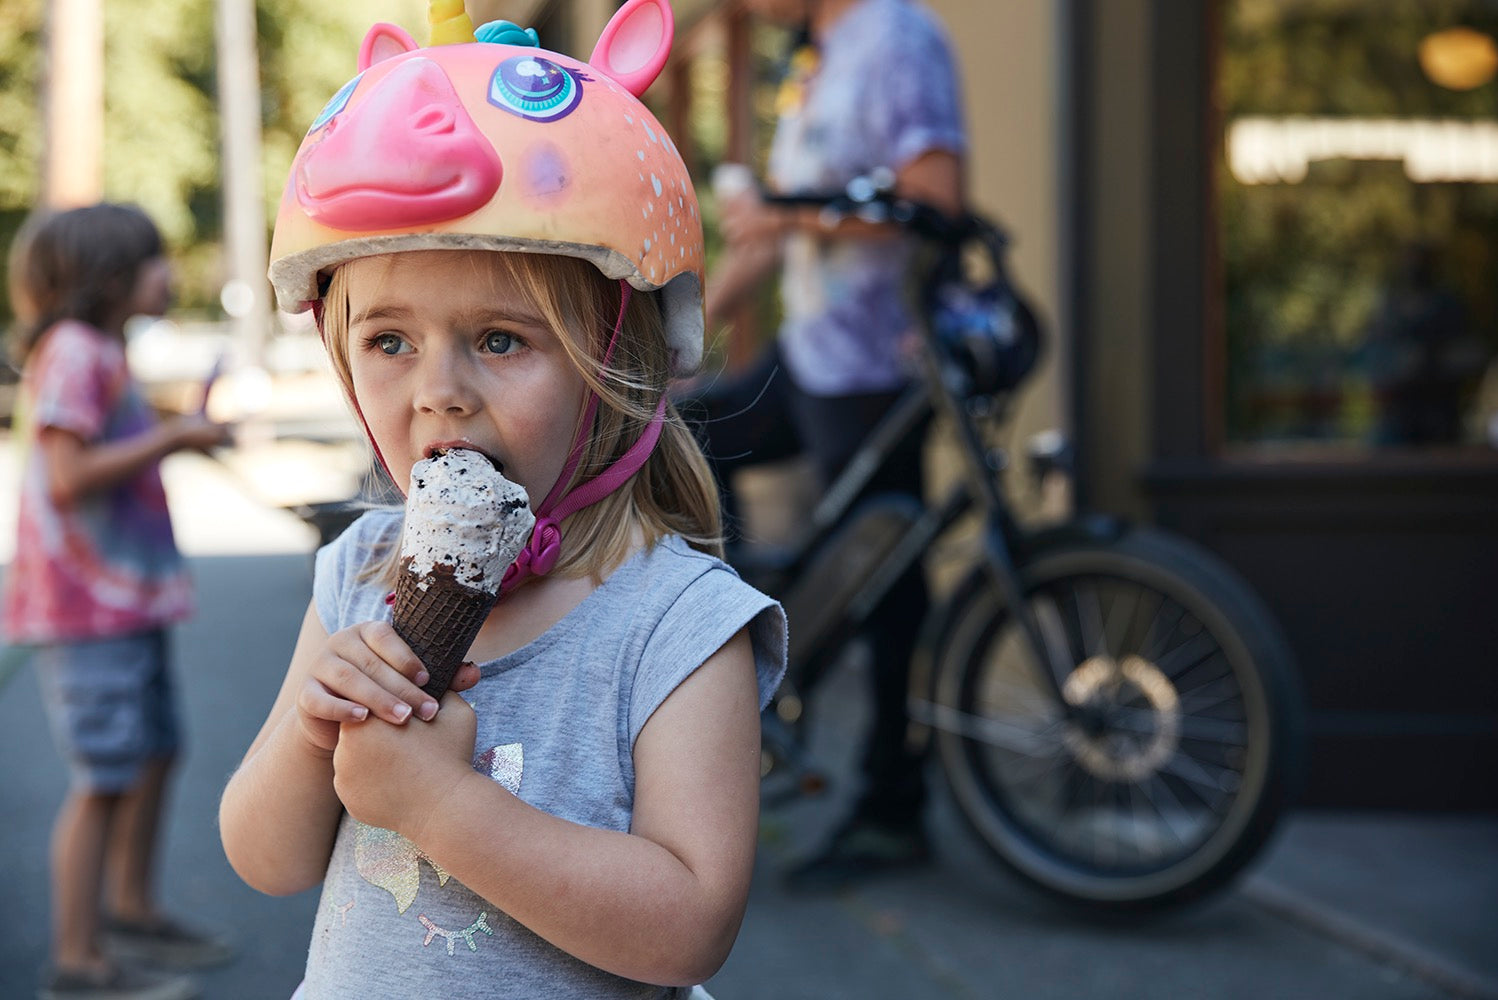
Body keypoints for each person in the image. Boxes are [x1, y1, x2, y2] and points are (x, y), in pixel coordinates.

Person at [217, 3, 786, 998]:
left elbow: (690, 924)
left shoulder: (679, 622)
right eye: (389, 341)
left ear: (616, 361)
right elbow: (268, 859)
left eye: (499, 339)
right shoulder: (359, 574)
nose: (438, 388)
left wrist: (442, 806)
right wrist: (312, 735)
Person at [686, 0, 967, 888]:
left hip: (877, 366)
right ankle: (745, 653)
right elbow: (778, 227)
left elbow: (933, 200)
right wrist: (678, 342)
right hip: (813, 357)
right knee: (686, 436)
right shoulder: (817, 54)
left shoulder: (894, 38)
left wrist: (790, 216)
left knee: (888, 587)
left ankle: (892, 809)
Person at [2, 203, 234, 1000]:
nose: (169, 274)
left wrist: (181, 428)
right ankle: (78, 963)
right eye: (154, 261)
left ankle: (131, 912)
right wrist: (174, 439)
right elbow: (68, 475)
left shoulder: (101, 351)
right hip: (86, 607)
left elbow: (103, 445)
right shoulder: (73, 351)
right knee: (105, 773)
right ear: (110, 276)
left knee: (156, 750)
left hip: (125, 603)